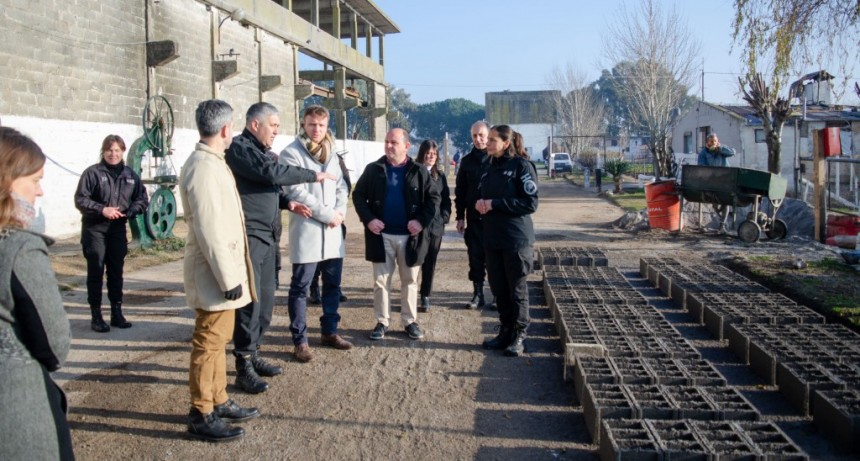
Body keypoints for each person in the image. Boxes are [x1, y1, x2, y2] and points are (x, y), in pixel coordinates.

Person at [225, 102, 332, 394]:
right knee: (251, 304)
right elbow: (271, 172)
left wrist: (288, 203)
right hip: (251, 236)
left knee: (267, 303)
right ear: (255, 124)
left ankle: (254, 353)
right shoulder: (240, 149)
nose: (277, 130)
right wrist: (312, 175)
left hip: (269, 235)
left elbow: (268, 186)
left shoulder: (259, 151)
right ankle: (243, 365)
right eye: (273, 125)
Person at [179, 99, 261, 442]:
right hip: (215, 273)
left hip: (222, 270)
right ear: (226, 129)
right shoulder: (204, 166)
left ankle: (218, 399)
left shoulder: (212, 162)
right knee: (209, 342)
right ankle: (201, 412)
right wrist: (230, 279)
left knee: (218, 340)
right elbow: (210, 228)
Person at [0, 127, 74, 460]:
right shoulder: (19, 249)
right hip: (17, 412)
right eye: (34, 180)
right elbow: (55, 345)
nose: (39, 192)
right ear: (6, 181)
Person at [280, 105, 353, 361]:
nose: (316, 130)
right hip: (309, 229)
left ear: (327, 125)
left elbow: (342, 185)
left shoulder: (332, 154)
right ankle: (300, 340)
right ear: (303, 123)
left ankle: (329, 331)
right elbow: (295, 192)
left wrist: (340, 211)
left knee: (332, 285)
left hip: (333, 231)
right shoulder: (291, 154)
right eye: (312, 124)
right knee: (300, 287)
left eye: (321, 125)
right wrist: (327, 214)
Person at [353, 128, 440, 341]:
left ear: (406, 146)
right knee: (381, 281)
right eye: (386, 142)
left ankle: (409, 321)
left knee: (409, 280)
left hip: (410, 238)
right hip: (381, 236)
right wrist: (369, 219)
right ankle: (382, 321)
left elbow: (433, 199)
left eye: (394, 142)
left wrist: (420, 221)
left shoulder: (419, 171)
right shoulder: (374, 169)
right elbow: (358, 195)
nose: (389, 146)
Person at [74, 135, 149, 332]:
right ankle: (96, 315)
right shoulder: (92, 173)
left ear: (122, 151)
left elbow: (142, 199)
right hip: (95, 228)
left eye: (117, 150)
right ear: (103, 151)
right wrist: (101, 209)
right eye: (109, 150)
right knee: (96, 270)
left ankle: (117, 312)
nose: (113, 154)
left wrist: (133, 210)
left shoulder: (130, 175)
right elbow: (81, 199)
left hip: (117, 229)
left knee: (116, 270)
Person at [476, 125, 539, 357]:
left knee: (517, 290)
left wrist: (495, 204)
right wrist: (480, 203)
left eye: (493, 140)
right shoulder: (487, 166)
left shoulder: (521, 167)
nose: (488, 143)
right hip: (493, 238)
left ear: (506, 143)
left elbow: (530, 203)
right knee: (499, 289)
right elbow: (483, 194)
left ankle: (519, 335)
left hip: (516, 239)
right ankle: (505, 331)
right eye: (488, 139)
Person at [455, 121, 492, 309]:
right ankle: (478, 294)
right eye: (474, 136)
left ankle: (496, 295)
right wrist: (460, 216)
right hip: (474, 220)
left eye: (481, 135)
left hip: (495, 220)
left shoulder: (497, 159)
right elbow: (460, 191)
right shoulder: (467, 161)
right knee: (475, 257)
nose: (478, 139)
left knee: (495, 259)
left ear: (488, 135)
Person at [415, 139, 451, 312]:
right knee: (414, 261)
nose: (431, 156)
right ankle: (410, 292)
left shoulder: (440, 176)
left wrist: (444, 217)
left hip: (435, 225)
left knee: (430, 261)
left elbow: (446, 201)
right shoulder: (413, 172)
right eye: (428, 153)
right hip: (416, 226)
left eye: (434, 154)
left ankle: (425, 295)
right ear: (422, 153)